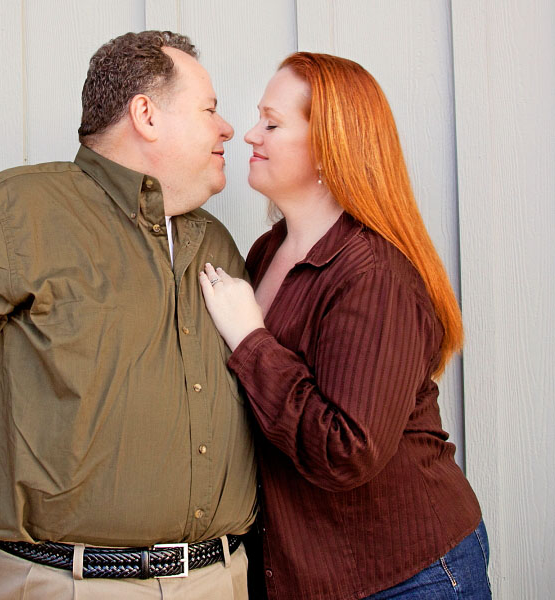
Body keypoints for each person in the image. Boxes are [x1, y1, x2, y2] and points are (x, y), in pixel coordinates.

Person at [0, 31, 260, 600]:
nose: (226, 129)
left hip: (218, 581)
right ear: (145, 114)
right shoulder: (10, 214)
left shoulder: (216, 243)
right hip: (51, 583)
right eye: (210, 109)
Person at [198, 52, 490, 599]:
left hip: (405, 576)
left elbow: (346, 449)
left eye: (272, 122)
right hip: (310, 574)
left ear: (331, 146)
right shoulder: (266, 253)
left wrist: (250, 340)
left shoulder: (374, 274)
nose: (250, 134)